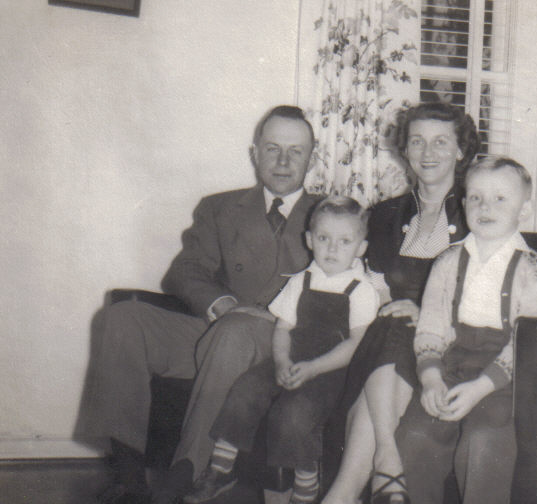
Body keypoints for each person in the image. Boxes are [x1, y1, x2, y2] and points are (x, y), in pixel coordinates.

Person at [77, 105, 321, 504]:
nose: (283, 161)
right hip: (218, 333)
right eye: (272, 148)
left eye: (296, 151)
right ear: (254, 153)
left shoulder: (331, 215)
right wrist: (223, 305)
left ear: (313, 157)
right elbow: (185, 270)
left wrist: (262, 320)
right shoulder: (219, 208)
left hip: (282, 347)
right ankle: (128, 476)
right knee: (123, 318)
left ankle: (190, 470)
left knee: (237, 331)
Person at [322, 101, 479, 504]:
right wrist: (390, 306)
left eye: (441, 142)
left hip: (448, 340)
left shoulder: (477, 212)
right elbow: (371, 283)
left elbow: (485, 293)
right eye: (418, 141)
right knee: (392, 321)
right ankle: (385, 466)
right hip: (385, 339)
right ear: (405, 150)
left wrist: (426, 315)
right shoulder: (384, 214)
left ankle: (355, 484)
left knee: (399, 324)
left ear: (461, 150)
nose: (428, 152)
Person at [181, 196, 380, 504]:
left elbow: (356, 344)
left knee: (294, 414)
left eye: (344, 241)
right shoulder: (300, 281)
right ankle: (220, 469)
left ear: (361, 248)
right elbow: (283, 328)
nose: (332, 249)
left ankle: (305, 487)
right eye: (324, 238)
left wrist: (314, 368)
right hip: (291, 356)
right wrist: (281, 359)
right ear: (309, 240)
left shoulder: (362, 290)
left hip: (332, 370)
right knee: (246, 388)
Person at [395, 157, 537, 504]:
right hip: (450, 365)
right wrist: (431, 379)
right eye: (476, 197)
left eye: (500, 198)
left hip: (504, 379)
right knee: (415, 435)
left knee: (483, 444)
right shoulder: (446, 261)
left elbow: (527, 345)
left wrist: (480, 388)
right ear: (464, 203)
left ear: (524, 210)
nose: (485, 207)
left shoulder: (535, 270)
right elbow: (431, 324)